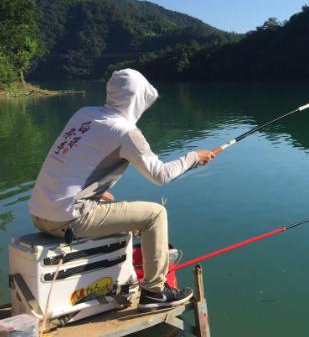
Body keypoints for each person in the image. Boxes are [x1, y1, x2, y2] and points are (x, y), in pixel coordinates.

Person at [28, 68, 215, 311]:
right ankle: (155, 292)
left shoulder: (84, 114)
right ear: (138, 99)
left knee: (115, 204)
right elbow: (160, 175)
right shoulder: (126, 132)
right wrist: (193, 157)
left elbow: (73, 162)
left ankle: (121, 274)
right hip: (68, 218)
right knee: (155, 215)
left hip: (40, 213)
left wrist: (94, 191)